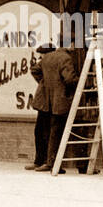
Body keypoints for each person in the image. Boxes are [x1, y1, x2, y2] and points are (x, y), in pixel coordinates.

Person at [38, 44, 79, 172]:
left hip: (49, 101)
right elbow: (69, 79)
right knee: (58, 132)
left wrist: (45, 84)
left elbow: (35, 69)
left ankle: (50, 162)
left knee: (52, 132)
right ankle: (53, 164)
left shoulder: (47, 57)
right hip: (61, 101)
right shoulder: (66, 58)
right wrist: (82, 82)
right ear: (70, 44)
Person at [25, 43, 54, 171]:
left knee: (45, 132)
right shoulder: (45, 64)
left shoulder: (48, 63)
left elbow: (34, 70)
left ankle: (44, 161)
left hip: (49, 104)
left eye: (42, 54)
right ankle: (40, 160)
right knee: (40, 131)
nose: (41, 57)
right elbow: (34, 70)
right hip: (45, 104)